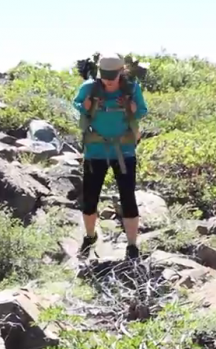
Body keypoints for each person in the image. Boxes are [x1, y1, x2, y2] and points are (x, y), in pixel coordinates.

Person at [72, 53, 148, 260]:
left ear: (121, 72)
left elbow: (142, 110)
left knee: (128, 197)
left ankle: (132, 246)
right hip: (95, 150)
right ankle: (90, 236)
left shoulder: (131, 89)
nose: (107, 82)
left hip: (124, 151)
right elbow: (76, 104)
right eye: (104, 77)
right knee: (90, 198)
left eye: (111, 78)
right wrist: (84, 107)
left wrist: (134, 109)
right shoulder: (89, 88)